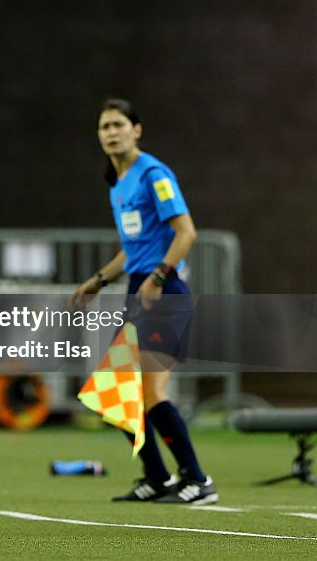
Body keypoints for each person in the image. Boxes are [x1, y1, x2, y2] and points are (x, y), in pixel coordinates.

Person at [70, 98, 217, 505]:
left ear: (137, 130)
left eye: (118, 124)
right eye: (104, 127)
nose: (111, 132)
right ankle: (157, 476)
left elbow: (186, 232)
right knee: (112, 389)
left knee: (151, 393)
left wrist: (157, 277)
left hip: (163, 292)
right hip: (141, 289)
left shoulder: (154, 174)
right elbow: (131, 249)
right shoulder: (118, 181)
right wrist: (97, 280)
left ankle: (198, 480)